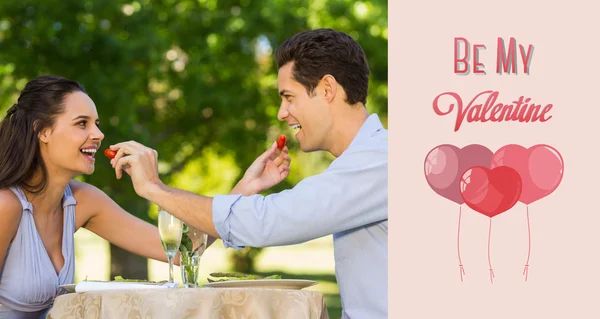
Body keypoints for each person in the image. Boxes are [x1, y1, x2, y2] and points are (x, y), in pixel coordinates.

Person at [110, 28, 388, 318]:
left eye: (289, 97)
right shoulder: (367, 159)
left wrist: (154, 187)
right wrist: (243, 189)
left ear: (327, 89)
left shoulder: (379, 160)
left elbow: (270, 221)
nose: (282, 113)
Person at [0, 75, 290, 318]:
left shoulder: (83, 201)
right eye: (82, 123)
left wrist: (243, 189)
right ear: (43, 131)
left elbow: (181, 251)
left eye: (97, 123)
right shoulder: (6, 205)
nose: (98, 134)